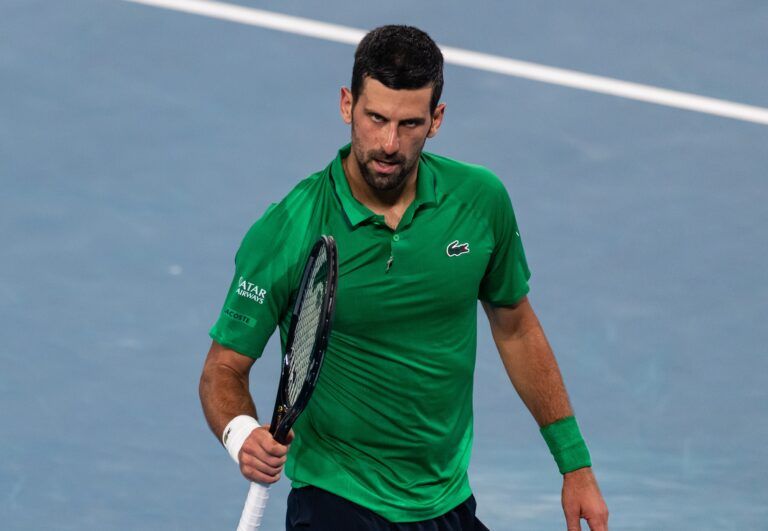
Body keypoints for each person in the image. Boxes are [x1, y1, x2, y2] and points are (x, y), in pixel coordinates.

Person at [200, 24, 609, 531]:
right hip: (337, 497)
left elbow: (516, 328)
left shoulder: (480, 202)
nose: (389, 143)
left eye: (409, 123)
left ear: (436, 119)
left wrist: (574, 463)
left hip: (445, 499)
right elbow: (223, 367)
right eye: (376, 118)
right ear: (347, 105)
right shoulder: (290, 228)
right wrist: (241, 433)